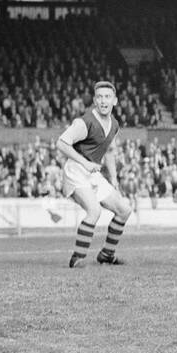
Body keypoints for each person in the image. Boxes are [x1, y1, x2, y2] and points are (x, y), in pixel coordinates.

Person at [56, 81, 133, 267]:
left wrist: (114, 178)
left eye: (107, 97)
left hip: (93, 173)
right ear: (95, 101)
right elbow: (61, 143)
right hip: (76, 169)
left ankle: (106, 254)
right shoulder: (85, 122)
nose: (103, 101)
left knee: (124, 210)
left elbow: (110, 151)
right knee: (94, 211)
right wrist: (84, 162)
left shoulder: (114, 124)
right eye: (99, 97)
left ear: (115, 101)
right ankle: (78, 259)